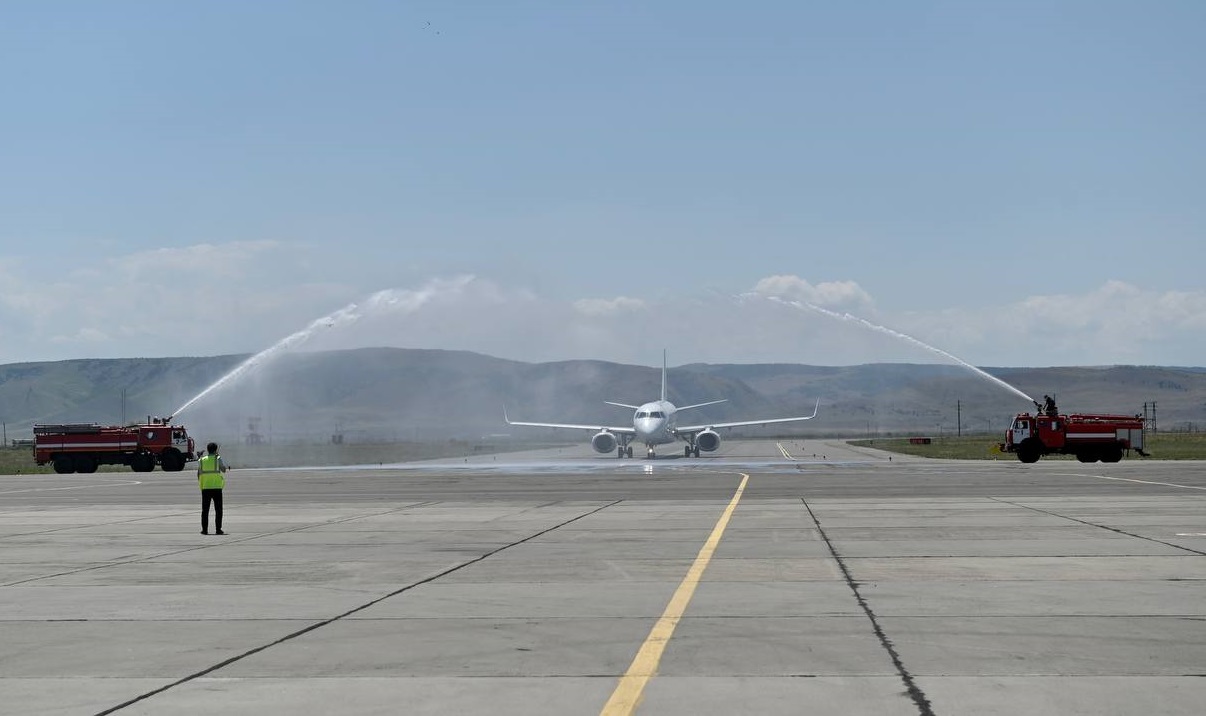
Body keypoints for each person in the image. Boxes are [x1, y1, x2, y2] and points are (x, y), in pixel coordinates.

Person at [197, 442, 229, 535]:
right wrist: (218, 459)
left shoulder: (201, 460)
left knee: (205, 510)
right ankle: (218, 529)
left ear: (207, 450)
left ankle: (204, 530)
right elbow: (224, 470)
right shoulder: (218, 458)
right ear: (215, 450)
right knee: (218, 510)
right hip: (217, 487)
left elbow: (199, 473)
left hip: (205, 487)